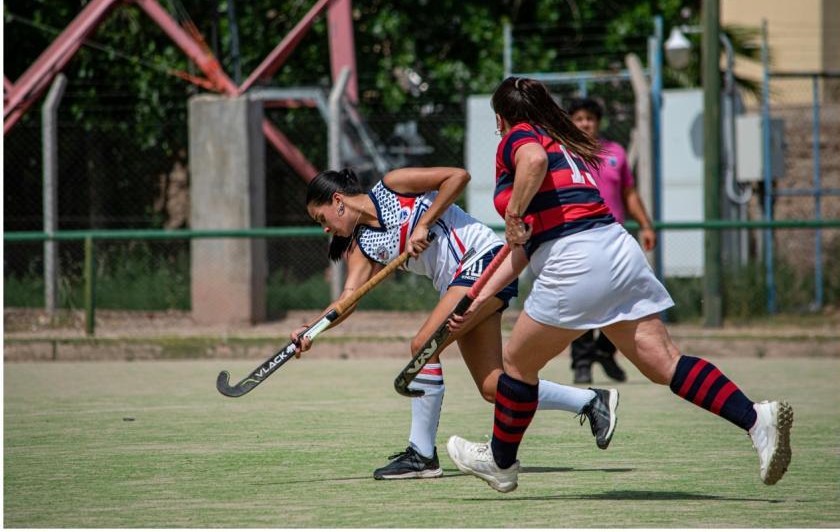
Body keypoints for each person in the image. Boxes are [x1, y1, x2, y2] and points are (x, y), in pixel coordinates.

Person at [445, 76, 793, 493]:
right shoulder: (565, 142)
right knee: (663, 362)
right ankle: (757, 419)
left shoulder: (521, 137)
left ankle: (500, 463)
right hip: (615, 249)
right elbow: (523, 250)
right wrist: (478, 297)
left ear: (500, 118)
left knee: (517, 364)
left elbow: (532, 163)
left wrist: (513, 213)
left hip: (575, 259)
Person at [292, 166, 620, 481]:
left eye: (322, 218)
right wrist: (312, 330)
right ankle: (591, 402)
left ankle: (421, 454)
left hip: (484, 262)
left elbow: (457, 176)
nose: (324, 228)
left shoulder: (392, 185)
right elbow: (347, 299)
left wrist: (423, 224)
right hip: (456, 284)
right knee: (494, 387)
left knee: (423, 345)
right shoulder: (364, 245)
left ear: (337, 201)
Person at [566, 97, 656, 385]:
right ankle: (581, 362)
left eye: (589, 118)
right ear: (570, 122)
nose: (584, 123)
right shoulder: (564, 153)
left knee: (622, 298)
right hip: (578, 239)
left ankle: (605, 351)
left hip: (615, 241)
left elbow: (629, 193)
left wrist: (645, 225)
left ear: (598, 122)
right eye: (578, 118)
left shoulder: (615, 152)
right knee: (582, 301)